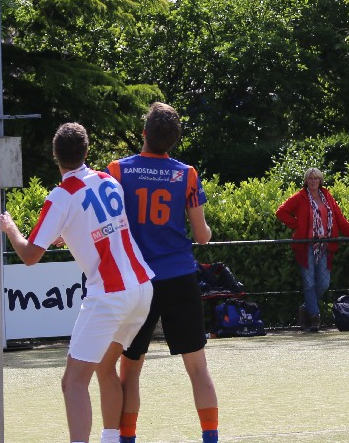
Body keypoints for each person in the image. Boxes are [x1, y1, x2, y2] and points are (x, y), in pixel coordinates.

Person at [1, 122, 154, 443]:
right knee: (105, 367)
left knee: (73, 382)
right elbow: (102, 224)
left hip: (110, 294)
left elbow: (29, 255)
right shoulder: (109, 181)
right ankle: (111, 439)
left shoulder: (61, 196)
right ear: (87, 150)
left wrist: (10, 227)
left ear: (55, 155)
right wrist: (67, 233)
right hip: (142, 288)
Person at [108, 103, 219, 443]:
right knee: (197, 368)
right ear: (174, 140)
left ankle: (128, 439)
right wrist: (206, 230)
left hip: (138, 281)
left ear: (144, 133)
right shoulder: (187, 174)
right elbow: (202, 236)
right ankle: (210, 438)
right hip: (179, 277)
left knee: (130, 368)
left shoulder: (117, 171)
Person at [275, 167, 349, 331]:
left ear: (320, 180)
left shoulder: (327, 196)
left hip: (324, 244)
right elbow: (281, 212)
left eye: (316, 178)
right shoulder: (300, 197)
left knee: (323, 283)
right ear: (306, 181)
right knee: (309, 283)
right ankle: (315, 318)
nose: (313, 181)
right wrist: (298, 225)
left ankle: (305, 308)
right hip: (306, 244)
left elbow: (338, 217)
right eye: (310, 178)